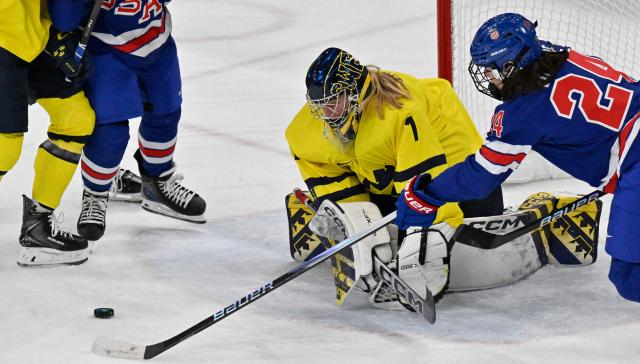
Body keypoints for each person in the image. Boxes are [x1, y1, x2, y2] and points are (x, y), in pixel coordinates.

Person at [395, 13, 640, 303]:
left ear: (511, 65)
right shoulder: (554, 54)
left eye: (491, 69)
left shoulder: (523, 113)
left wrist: (427, 195)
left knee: (629, 276)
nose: (487, 76)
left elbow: (480, 177)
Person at [285, 47, 506, 306]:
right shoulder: (305, 130)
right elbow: (333, 182)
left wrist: (430, 238)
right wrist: (354, 226)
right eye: (319, 106)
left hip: (450, 154)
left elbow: (428, 185)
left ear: (355, 92)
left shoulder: (398, 113)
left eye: (334, 102)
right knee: (386, 224)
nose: (327, 114)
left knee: (474, 219)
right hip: (385, 171)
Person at [49, 0, 207, 242]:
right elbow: (65, 19)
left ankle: (157, 181)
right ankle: (96, 193)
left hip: (156, 40)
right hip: (104, 50)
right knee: (109, 131)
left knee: (165, 114)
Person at [0, 1, 95, 266]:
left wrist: (56, 31)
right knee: (3, 147)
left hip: (34, 35)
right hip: (4, 38)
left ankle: (37, 227)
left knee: (76, 120)